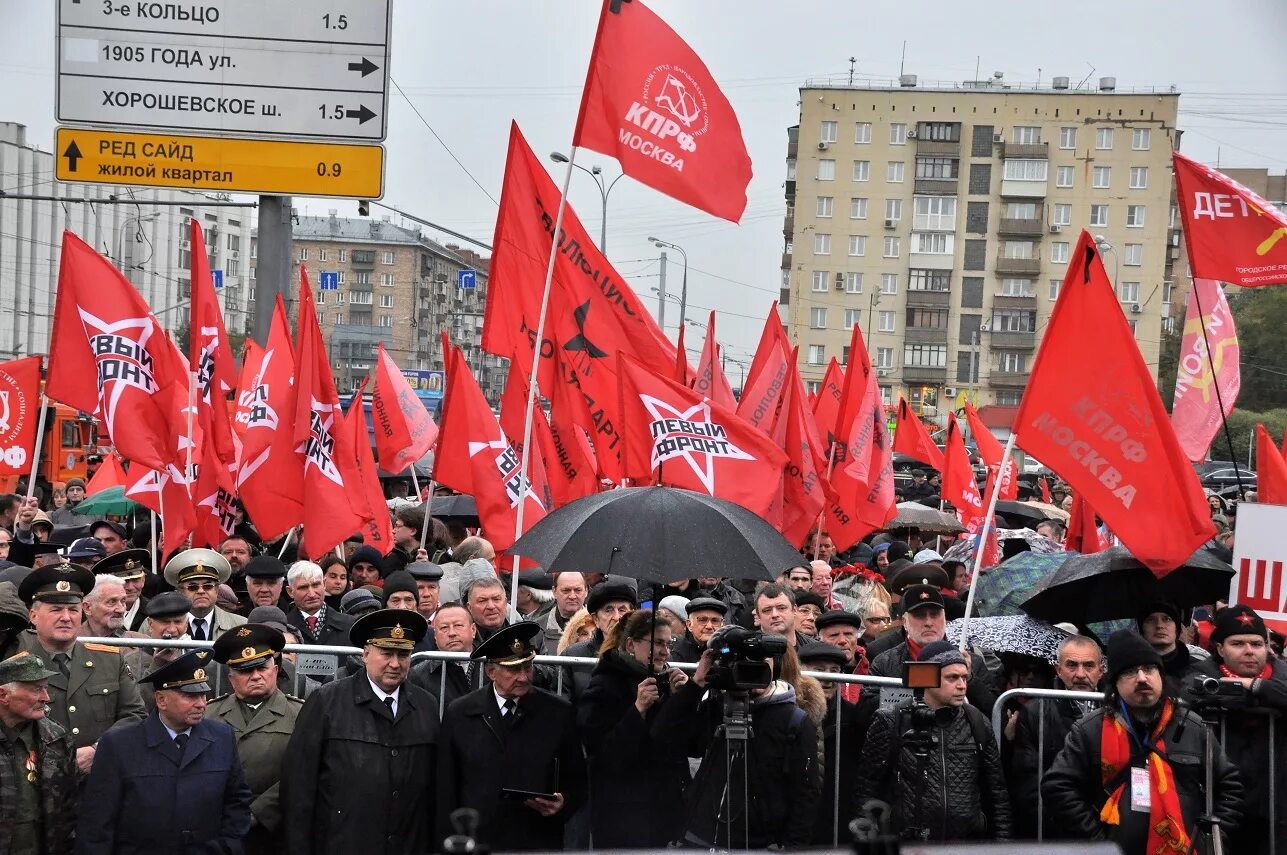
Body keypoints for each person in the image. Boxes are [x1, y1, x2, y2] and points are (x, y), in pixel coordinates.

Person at [1043, 630, 1244, 854]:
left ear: (1160, 676)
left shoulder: (1193, 727)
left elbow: (1230, 788)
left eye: (1149, 669)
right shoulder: (1091, 730)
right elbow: (1058, 787)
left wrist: (1209, 840)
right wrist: (1098, 840)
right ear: (1115, 684)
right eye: (1130, 672)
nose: (1141, 678)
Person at [282, 609, 439, 855]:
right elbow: (299, 788)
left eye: (404, 654)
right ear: (366, 654)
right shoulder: (327, 701)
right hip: (343, 843)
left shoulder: (426, 705)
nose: (395, 664)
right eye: (386, 653)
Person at [77, 649, 253, 853]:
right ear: (161, 700)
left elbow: (237, 803)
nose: (201, 704)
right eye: (190, 696)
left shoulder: (221, 737)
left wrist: (226, 847)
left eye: (203, 694)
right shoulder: (119, 745)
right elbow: (98, 820)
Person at [437, 622, 587, 851]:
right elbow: (446, 788)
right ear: (490, 672)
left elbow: (578, 779)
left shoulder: (558, 713)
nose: (524, 677)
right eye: (514, 670)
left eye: (528, 667)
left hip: (536, 839)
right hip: (480, 840)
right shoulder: (460, 713)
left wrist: (563, 802)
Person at [855, 640, 1012, 841]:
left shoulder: (977, 722)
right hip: (906, 842)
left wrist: (1002, 843)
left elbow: (997, 794)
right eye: (952, 678)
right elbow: (866, 789)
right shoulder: (891, 720)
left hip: (965, 843)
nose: (962, 685)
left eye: (965, 678)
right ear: (928, 678)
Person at [676, 642, 823, 849]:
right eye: (744, 661)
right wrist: (696, 685)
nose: (751, 667)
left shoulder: (794, 721)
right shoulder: (716, 706)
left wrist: (792, 848)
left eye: (761, 661)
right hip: (702, 836)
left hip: (760, 842)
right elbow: (676, 740)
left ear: (778, 666)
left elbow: (806, 795)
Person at [15, 564, 145, 774]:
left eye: (73, 610)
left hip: (100, 775)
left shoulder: (109, 659)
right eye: (56, 609)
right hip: (38, 778)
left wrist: (98, 749)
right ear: (33, 616)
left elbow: (135, 715)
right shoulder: (17, 663)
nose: (66, 617)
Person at [578, 609, 692, 847]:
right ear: (631, 644)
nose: (665, 651)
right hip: (621, 816)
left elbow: (684, 743)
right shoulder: (604, 686)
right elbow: (603, 755)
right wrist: (637, 709)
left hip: (661, 811)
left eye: (668, 643)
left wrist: (684, 699)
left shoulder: (664, 683)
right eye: (657, 643)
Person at [1189, 604, 1287, 854]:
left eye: (1256, 644)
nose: (1249, 651)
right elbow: (1193, 694)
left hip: (1273, 803)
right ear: (1220, 648)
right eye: (1238, 644)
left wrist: (1254, 687)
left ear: (1267, 647)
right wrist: (1261, 698)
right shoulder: (1202, 673)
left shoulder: (1281, 674)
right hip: (1222, 802)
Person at [207, 623, 303, 854]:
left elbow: (304, 772)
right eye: (245, 670)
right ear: (231, 677)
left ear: (276, 669)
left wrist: (259, 812)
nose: (256, 676)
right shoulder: (209, 714)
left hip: (276, 828)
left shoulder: (301, 714)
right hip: (219, 825)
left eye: (262, 667)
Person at [1009, 634, 1104, 838]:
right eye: (1071, 665)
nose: (1080, 674)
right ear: (1058, 669)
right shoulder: (1036, 711)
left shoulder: (1115, 709)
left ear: (1101, 670)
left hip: (1105, 825)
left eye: (1088, 666)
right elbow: (1029, 784)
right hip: (1054, 830)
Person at [867, 583, 997, 716]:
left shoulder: (972, 662)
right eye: (920, 615)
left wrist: (969, 679)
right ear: (905, 622)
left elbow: (993, 713)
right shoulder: (884, 663)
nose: (928, 622)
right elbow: (865, 714)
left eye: (935, 615)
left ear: (945, 618)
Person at [0, 651, 78, 855]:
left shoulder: (57, 738)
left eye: (45, 688)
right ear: (3, 695)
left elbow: (69, 808)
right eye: (36, 690)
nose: (46, 698)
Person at [799, 641, 869, 845]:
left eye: (834, 671)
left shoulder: (853, 717)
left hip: (838, 815)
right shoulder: (787, 713)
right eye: (819, 670)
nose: (828, 679)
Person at [560, 582, 636, 700]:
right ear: (596, 619)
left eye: (622, 610)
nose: (616, 617)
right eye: (609, 610)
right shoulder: (572, 655)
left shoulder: (646, 653)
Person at [163, 548, 247, 641]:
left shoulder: (241, 625)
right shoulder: (158, 625)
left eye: (207, 586)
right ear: (180, 592)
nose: (201, 591)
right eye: (193, 587)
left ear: (217, 590)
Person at [128, 592, 192, 712]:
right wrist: (157, 666)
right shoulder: (131, 661)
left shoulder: (196, 657)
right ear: (150, 625)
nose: (172, 629)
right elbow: (136, 705)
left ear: (186, 624)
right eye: (165, 622)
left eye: (178, 622)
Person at [410, 602, 482, 710]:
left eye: (458, 625)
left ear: (473, 630)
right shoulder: (419, 675)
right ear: (435, 635)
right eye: (444, 628)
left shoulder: (492, 666)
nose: (451, 633)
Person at [1137, 599, 1204, 694]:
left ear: (1177, 629)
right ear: (1142, 630)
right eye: (1151, 620)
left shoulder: (1199, 668)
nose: (1159, 625)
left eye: (1167, 619)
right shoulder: (1133, 671)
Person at [284, 560, 355, 648]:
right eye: (303, 587)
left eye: (315, 585)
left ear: (324, 584)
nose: (312, 594)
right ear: (290, 591)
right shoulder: (283, 627)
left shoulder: (350, 625)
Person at [92, 549, 150, 632]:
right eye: (124, 581)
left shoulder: (155, 612)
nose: (130, 587)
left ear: (143, 580)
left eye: (135, 580)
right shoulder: (95, 612)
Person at [816, 611, 867, 705]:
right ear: (820, 640)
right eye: (834, 636)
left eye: (848, 634)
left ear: (856, 638)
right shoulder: (812, 671)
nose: (842, 641)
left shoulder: (874, 666)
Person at [670, 596, 727, 663]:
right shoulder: (675, 648)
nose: (709, 626)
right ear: (689, 624)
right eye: (702, 620)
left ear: (722, 624)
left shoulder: (726, 648)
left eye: (715, 621)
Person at [541, 571, 587, 654]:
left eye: (578, 590)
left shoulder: (600, 626)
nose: (572, 596)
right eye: (566, 590)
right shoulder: (538, 628)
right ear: (554, 591)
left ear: (586, 591)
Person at [78, 574, 132, 639]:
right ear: (88, 608)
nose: (121, 610)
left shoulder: (141, 642)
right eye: (112, 602)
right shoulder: (68, 644)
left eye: (123, 601)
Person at [753, 583, 800, 648]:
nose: (775, 615)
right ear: (758, 616)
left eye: (781, 608)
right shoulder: (747, 653)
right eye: (767, 610)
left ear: (794, 610)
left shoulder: (813, 648)